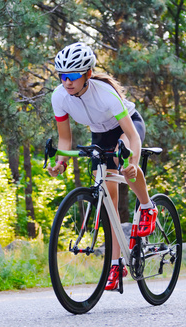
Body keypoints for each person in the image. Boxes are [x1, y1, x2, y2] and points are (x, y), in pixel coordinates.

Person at [47, 42, 158, 291]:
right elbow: (65, 139)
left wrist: (133, 162)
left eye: (73, 76)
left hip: (128, 127)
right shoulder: (59, 97)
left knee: (122, 161)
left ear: (87, 74)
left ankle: (148, 207)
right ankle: (116, 265)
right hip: (100, 134)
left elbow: (133, 136)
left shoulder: (105, 94)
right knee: (109, 199)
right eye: (63, 76)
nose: (67, 82)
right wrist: (60, 163)